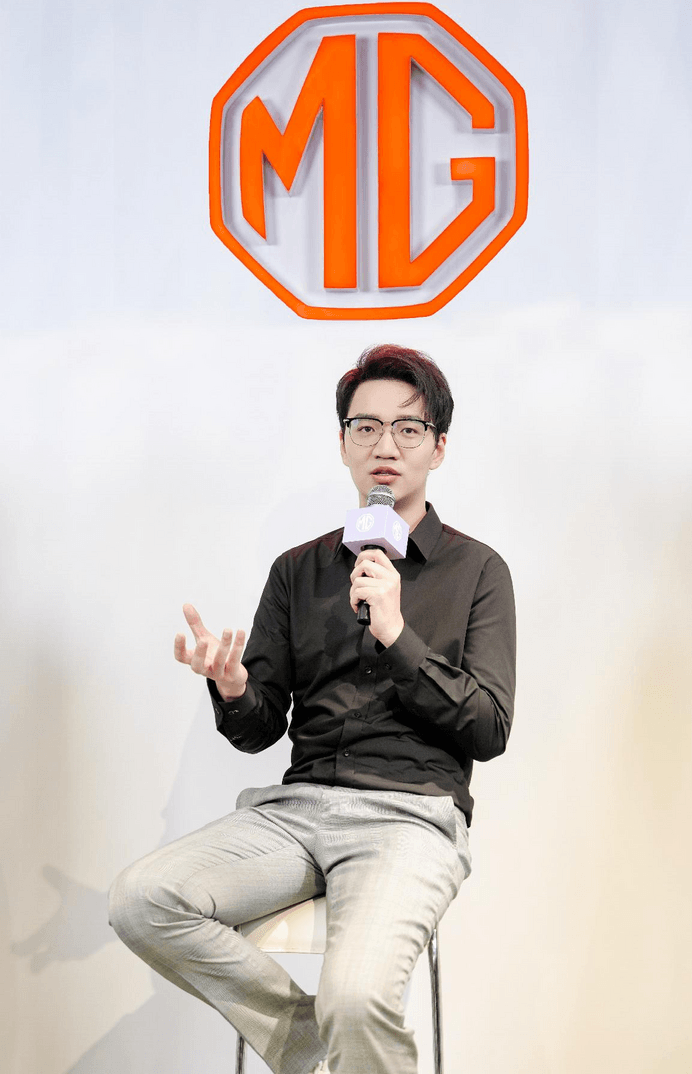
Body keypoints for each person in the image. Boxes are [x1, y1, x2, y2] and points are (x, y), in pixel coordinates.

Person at [109, 344, 516, 1074]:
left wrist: (398, 635)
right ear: (343, 443)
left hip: (410, 818)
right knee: (142, 899)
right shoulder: (297, 570)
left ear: (438, 447)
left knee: (355, 997)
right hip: (296, 815)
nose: (385, 446)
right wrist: (234, 688)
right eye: (366, 428)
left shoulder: (478, 571)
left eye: (408, 429)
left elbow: (489, 727)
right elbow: (260, 728)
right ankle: (306, 1041)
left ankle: (338, 1030)